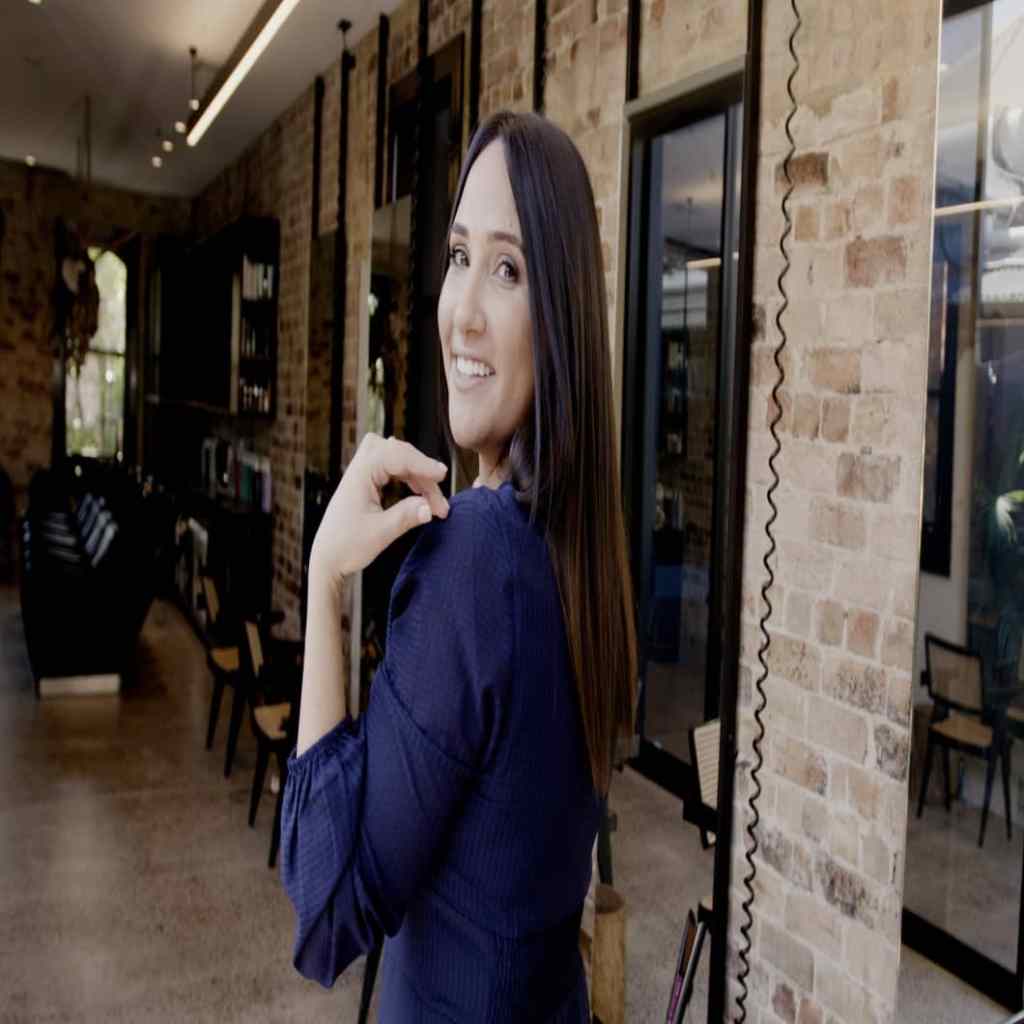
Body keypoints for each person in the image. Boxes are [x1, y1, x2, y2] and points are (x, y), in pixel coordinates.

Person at [280, 110, 639, 1022]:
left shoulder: (475, 557)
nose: (461, 312)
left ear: (558, 320)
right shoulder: (584, 554)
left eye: (508, 270)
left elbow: (327, 909)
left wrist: (324, 581)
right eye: (457, 257)